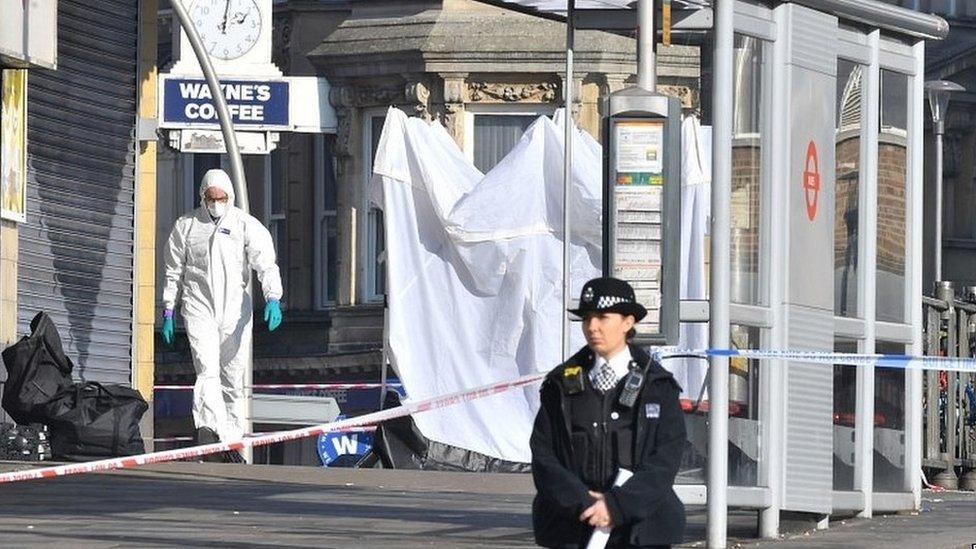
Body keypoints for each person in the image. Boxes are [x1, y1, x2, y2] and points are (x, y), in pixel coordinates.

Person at [530, 277, 686, 548]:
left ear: (628, 322)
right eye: (587, 318)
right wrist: (587, 505)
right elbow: (544, 456)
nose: (592, 327)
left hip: (641, 530)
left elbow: (665, 460)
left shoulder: (657, 385)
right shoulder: (560, 384)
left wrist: (616, 506)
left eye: (603, 317)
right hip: (572, 527)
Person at [160, 169, 283, 455]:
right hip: (198, 305)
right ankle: (207, 428)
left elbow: (265, 263)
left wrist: (273, 297)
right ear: (202, 196)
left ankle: (232, 437)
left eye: (221, 198)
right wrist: (168, 309)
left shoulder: (244, 225)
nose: (216, 203)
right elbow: (173, 270)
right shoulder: (186, 226)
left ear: (230, 196)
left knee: (232, 376)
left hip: (234, 311)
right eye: (211, 198)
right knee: (206, 368)